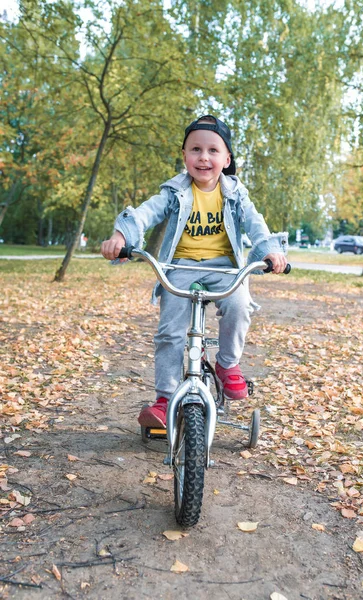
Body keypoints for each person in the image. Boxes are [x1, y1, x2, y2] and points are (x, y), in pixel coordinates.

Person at [101, 115, 288, 428]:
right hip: (179, 267)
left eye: (213, 151)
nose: (204, 157)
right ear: (184, 156)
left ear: (226, 159)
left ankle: (227, 364)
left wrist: (270, 251)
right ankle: (165, 398)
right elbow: (147, 212)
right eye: (196, 150)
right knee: (170, 331)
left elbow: (255, 223)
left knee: (240, 305)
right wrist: (122, 237)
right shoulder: (174, 191)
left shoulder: (235, 194)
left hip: (224, 268)